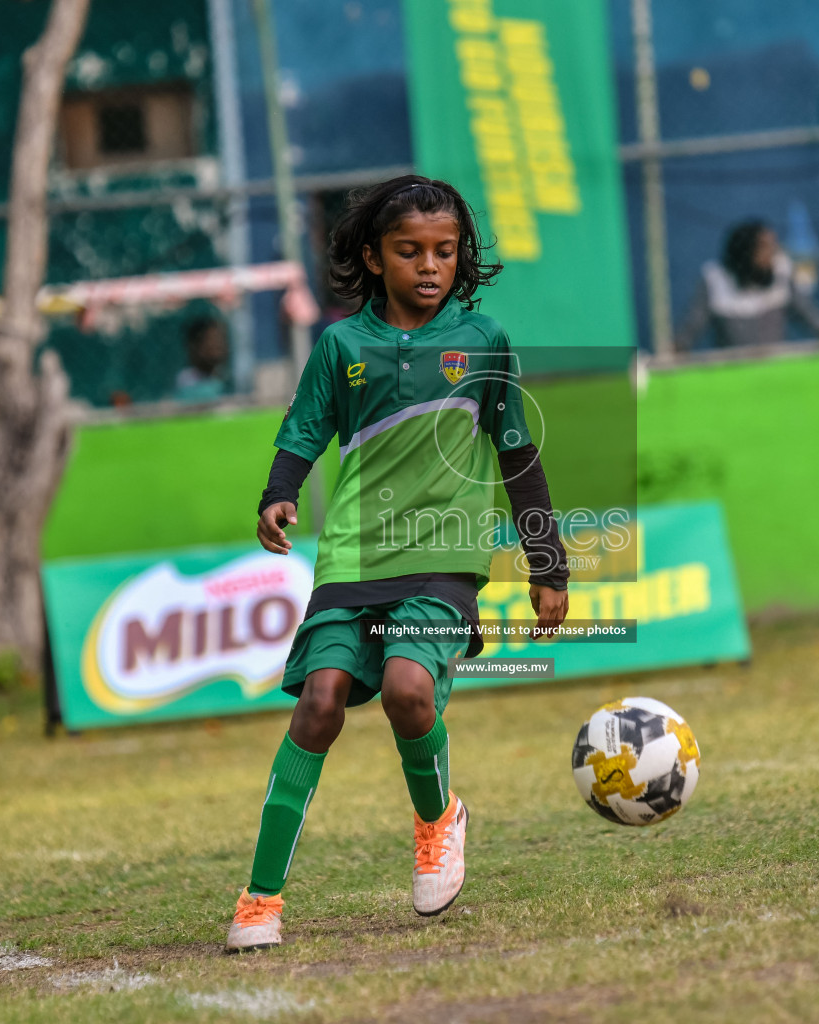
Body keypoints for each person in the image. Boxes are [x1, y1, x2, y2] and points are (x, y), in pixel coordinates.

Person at [224, 175, 570, 952]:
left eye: (444, 251)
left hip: (445, 552)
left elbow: (518, 455)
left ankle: (437, 819)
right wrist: (280, 493)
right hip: (355, 550)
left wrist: (548, 563)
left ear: (461, 257)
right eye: (409, 250)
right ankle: (260, 898)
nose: (428, 265)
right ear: (374, 257)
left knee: (410, 691)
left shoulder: (483, 342)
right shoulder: (342, 346)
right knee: (319, 702)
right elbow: (304, 431)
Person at [674, 219, 819, 350]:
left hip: (775, 367)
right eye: (764, 248)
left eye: (773, 246)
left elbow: (807, 312)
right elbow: (693, 325)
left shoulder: (781, 271)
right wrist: (675, 349)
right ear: (745, 252)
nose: (772, 253)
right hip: (732, 369)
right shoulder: (714, 279)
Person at [173, 315, 229, 402]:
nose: (217, 345)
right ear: (195, 346)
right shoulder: (186, 379)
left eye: (220, 340)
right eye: (211, 341)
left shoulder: (226, 375)